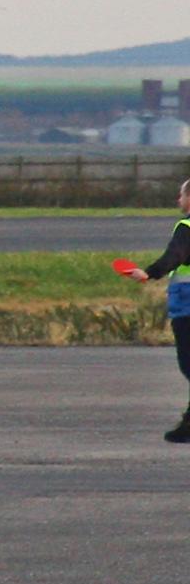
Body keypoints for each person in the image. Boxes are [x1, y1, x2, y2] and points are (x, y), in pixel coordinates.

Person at [121, 178, 190, 442]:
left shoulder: (186, 227)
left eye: (181, 195)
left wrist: (148, 273)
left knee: (188, 364)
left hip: (187, 307)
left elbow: (175, 255)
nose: (178, 200)